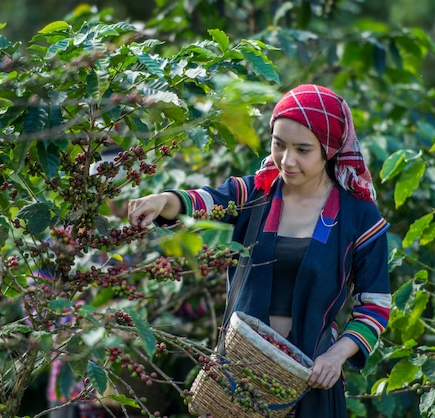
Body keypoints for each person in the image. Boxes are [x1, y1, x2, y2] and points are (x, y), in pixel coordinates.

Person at [127, 84, 391, 417]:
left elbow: (375, 307)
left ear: (330, 149)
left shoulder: (358, 217)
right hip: (238, 376)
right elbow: (203, 202)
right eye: (279, 145)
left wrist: (336, 357)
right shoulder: (254, 194)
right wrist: (163, 200)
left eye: (303, 149)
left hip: (309, 382)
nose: (287, 160)